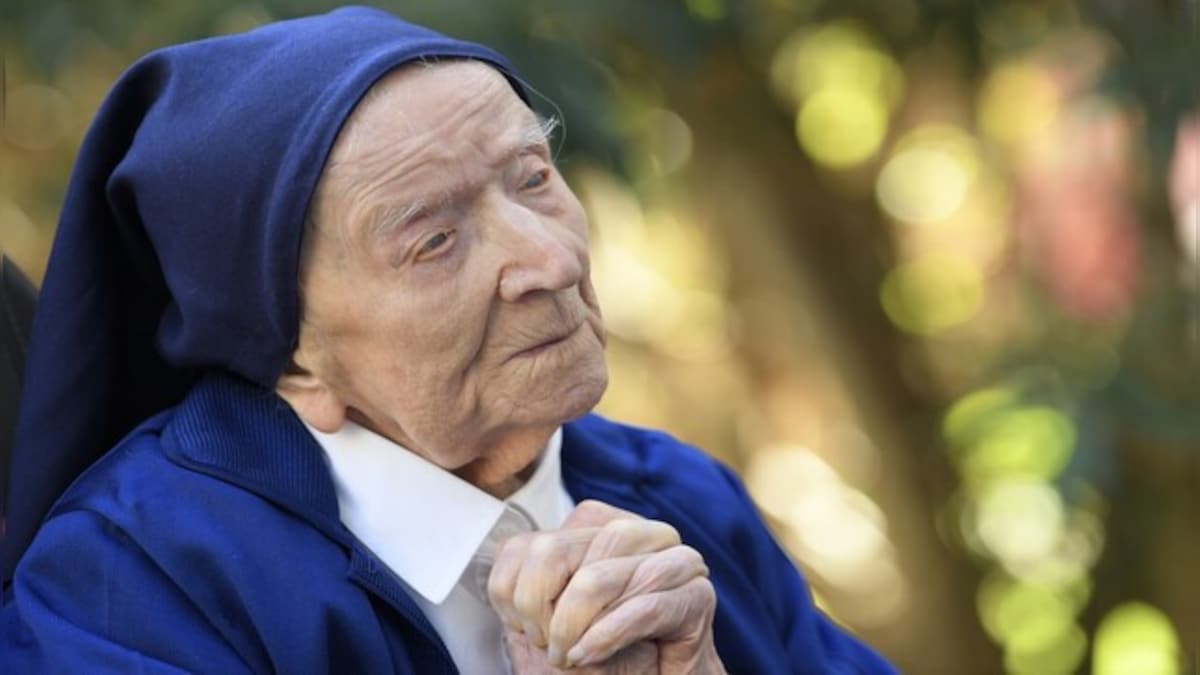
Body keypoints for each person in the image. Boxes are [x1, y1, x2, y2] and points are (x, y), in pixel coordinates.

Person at [0, 7, 897, 674]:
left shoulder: (675, 494)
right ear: (291, 356)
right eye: (433, 239)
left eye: (534, 178)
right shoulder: (134, 589)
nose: (548, 259)